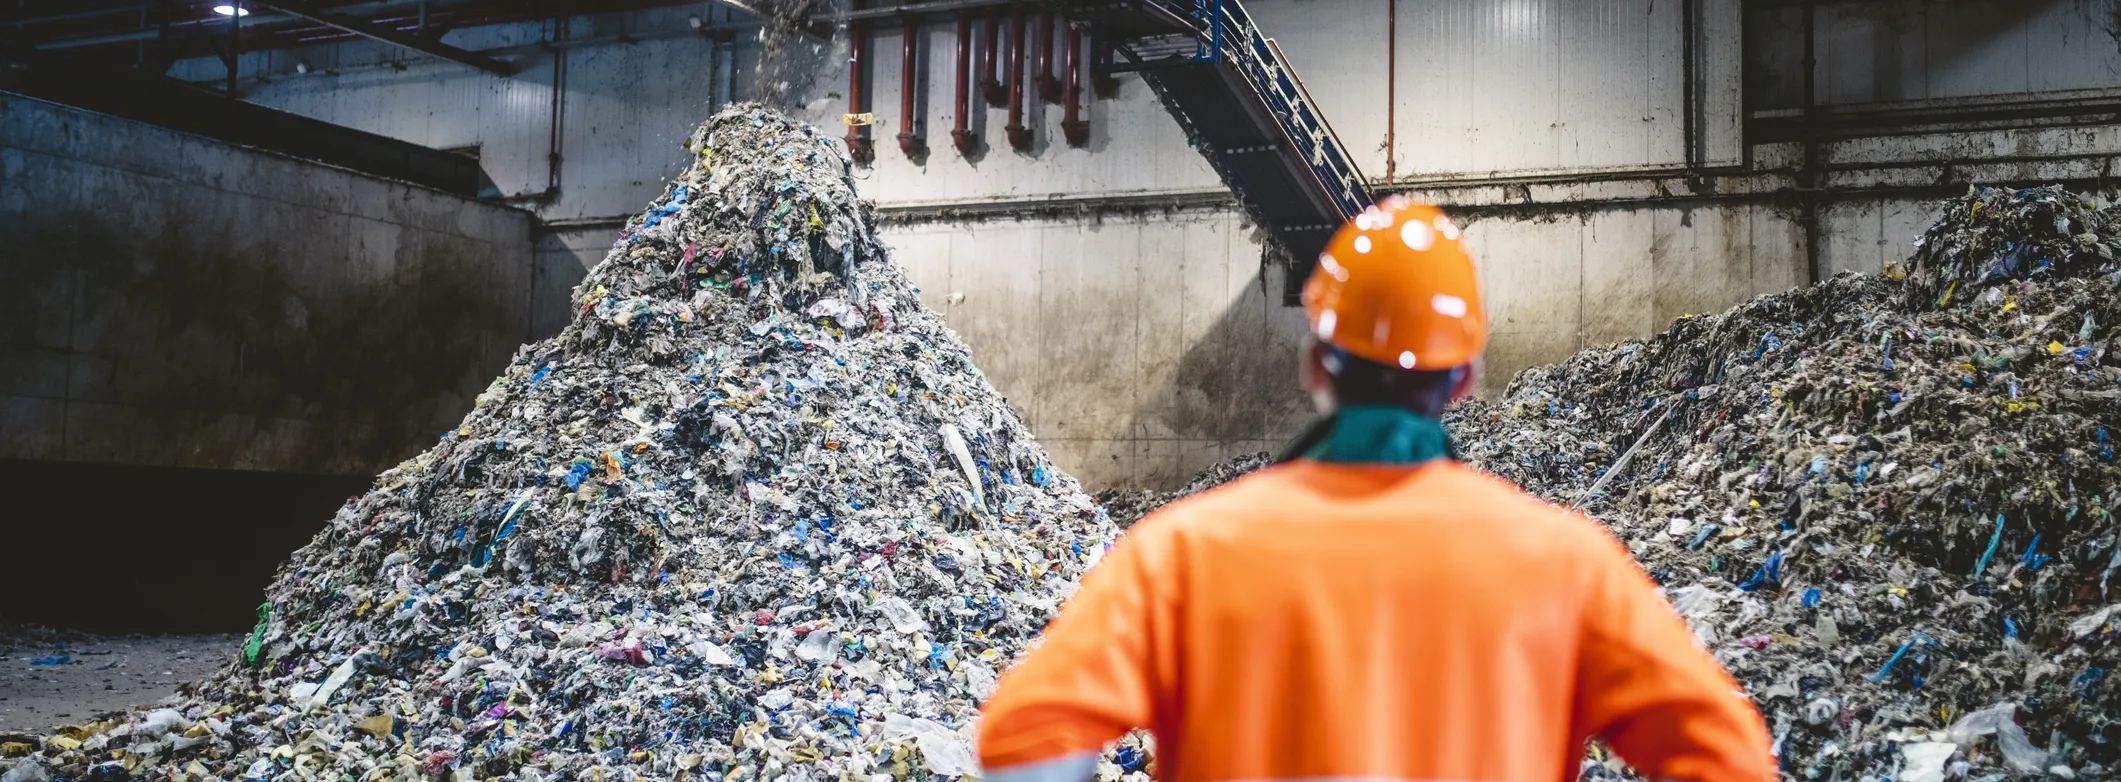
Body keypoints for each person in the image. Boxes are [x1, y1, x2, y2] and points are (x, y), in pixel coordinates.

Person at [975, 197, 1775, 782]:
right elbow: (1727, 758)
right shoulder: (1566, 562)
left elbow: (1031, 738)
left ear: (1314, 363)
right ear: (1463, 379)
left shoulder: (1182, 553)